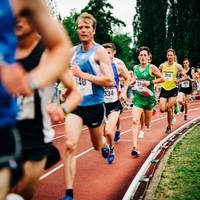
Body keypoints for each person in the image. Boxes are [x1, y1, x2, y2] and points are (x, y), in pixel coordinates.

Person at [0, 1, 72, 199]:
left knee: (19, 194)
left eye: (25, 15)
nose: (19, 19)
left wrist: (31, 83)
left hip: (34, 135)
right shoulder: (9, 49)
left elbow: (62, 49)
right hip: (10, 128)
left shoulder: (45, 52)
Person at [61, 13, 114, 200]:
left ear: (93, 30)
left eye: (86, 27)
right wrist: (67, 90)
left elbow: (110, 81)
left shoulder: (99, 52)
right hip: (76, 105)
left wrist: (84, 75)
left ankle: (105, 146)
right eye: (79, 27)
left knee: (96, 145)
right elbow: (71, 77)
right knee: (69, 144)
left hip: (95, 106)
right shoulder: (72, 52)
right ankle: (69, 192)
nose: (82, 30)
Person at [131, 46, 164, 157]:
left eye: (145, 55)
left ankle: (145, 124)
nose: (143, 57)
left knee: (147, 123)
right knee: (135, 121)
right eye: (141, 55)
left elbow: (162, 78)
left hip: (149, 99)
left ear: (148, 57)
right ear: (138, 57)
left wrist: (150, 83)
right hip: (138, 98)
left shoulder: (152, 68)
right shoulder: (135, 68)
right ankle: (135, 147)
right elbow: (135, 79)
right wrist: (133, 82)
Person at [103, 43, 130, 164]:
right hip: (100, 105)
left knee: (109, 131)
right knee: (102, 134)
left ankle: (111, 149)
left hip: (114, 103)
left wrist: (124, 91)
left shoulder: (117, 66)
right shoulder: (96, 67)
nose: (106, 55)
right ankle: (106, 145)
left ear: (113, 53)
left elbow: (128, 78)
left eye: (108, 53)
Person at [159, 48, 186, 133]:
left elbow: (185, 77)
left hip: (173, 89)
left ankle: (169, 126)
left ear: (174, 56)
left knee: (170, 109)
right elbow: (157, 75)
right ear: (166, 56)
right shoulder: (162, 66)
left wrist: (178, 81)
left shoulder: (177, 66)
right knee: (162, 109)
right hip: (164, 88)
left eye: (171, 55)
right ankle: (173, 113)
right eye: (168, 55)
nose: (170, 57)